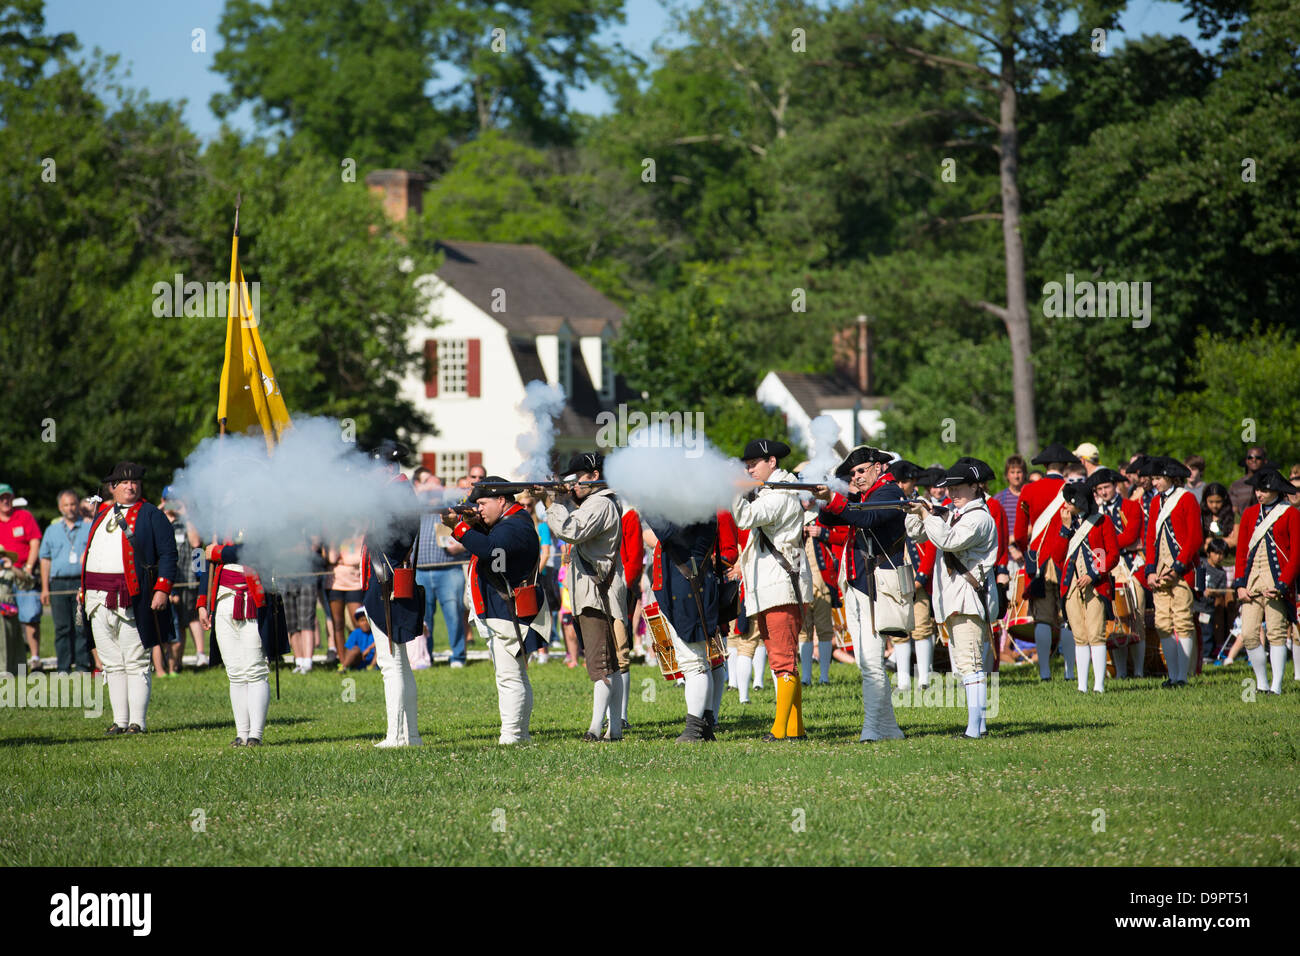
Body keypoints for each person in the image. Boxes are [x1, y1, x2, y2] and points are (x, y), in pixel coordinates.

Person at [815, 445, 908, 740]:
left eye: (860, 471)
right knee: (868, 662)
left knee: (870, 662)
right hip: (858, 582)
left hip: (876, 584)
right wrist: (828, 496)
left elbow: (865, 519)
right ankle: (890, 729)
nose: (855, 476)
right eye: (852, 473)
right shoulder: (865, 495)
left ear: (879, 467)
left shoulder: (889, 492)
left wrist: (837, 498)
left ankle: (871, 729)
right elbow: (830, 521)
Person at [448, 477, 550, 744]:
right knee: (513, 675)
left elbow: (491, 551)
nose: (479, 508)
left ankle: (512, 735)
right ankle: (520, 734)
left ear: (501, 500)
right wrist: (471, 523)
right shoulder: (510, 522)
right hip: (502, 607)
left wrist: (459, 528)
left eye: (482, 503)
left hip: (507, 609)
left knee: (509, 677)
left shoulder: (514, 525)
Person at [78, 462, 177, 735]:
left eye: (134, 481)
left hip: (132, 596)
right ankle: (120, 721)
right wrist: (83, 587)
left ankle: (138, 722)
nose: (130, 486)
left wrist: (162, 589)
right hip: (97, 597)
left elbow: (169, 555)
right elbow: (90, 553)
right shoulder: (100, 516)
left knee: (135, 660)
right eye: (124, 482)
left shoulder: (151, 515)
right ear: (113, 487)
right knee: (111, 663)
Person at [905, 462, 999, 739]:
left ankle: (975, 729)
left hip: (968, 597)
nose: (952, 492)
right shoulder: (956, 513)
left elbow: (948, 540)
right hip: (956, 597)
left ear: (975, 487)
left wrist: (927, 513)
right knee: (965, 663)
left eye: (958, 487)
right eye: (950, 487)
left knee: (970, 663)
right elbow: (917, 534)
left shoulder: (979, 518)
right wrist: (916, 512)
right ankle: (977, 725)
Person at [734, 438, 814, 741]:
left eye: (754, 462)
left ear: (772, 462)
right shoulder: (773, 490)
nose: (749, 468)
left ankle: (780, 730)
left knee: (782, 660)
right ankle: (795, 728)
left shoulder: (779, 494)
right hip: (773, 584)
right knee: (783, 659)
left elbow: (744, 518)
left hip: (780, 584)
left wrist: (734, 492)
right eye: (747, 464)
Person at [545, 452, 626, 741]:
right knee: (610, 664)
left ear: (593, 476)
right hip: (595, 591)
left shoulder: (600, 503)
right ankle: (614, 729)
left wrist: (553, 504)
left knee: (599, 664)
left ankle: (594, 729)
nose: (574, 484)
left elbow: (570, 530)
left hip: (595, 593)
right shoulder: (597, 502)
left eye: (578, 478)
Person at [196, 530, 290, 747]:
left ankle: (255, 735)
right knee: (235, 672)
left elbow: (255, 552)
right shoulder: (218, 523)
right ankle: (242, 734)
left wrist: (219, 551)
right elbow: (206, 565)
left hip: (253, 600)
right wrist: (202, 602)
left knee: (255, 670)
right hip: (223, 601)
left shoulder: (264, 519)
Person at [364, 440, 425, 747]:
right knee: (398, 663)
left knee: (391, 665)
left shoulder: (395, 496)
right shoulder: (396, 494)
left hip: (387, 581)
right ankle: (409, 735)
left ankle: (396, 736)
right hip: (389, 579)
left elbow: (388, 541)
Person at [644, 515, 725, 741]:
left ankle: (694, 728)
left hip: (689, 592)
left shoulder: (696, 507)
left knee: (694, 663)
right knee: (696, 661)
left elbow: (669, 532)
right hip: (685, 590)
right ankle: (705, 725)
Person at [1013, 443, 1080, 681]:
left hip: (1038, 559)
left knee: (1042, 617)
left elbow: (1020, 532)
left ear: (1044, 466)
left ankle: (1044, 672)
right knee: (1068, 618)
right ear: (1064, 466)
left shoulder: (1029, 490)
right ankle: (1071, 673)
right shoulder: (1074, 490)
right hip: (1066, 559)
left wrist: (1027, 551)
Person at [1231, 468, 1299, 696]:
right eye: (1257, 489)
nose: (1258, 493)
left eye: (1264, 489)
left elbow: (1296, 554)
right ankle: (1261, 683)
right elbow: (1242, 551)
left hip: (1276, 582)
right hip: (1252, 581)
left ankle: (1276, 686)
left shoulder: (1290, 514)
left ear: (1276, 491)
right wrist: (1240, 583)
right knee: (1249, 633)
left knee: (1277, 633)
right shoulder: (1250, 514)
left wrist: (1283, 584)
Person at [1139, 456, 1204, 688]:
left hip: (1182, 571)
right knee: (1163, 623)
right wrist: (1149, 570)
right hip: (1159, 571)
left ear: (1169, 477)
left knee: (1183, 621)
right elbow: (1150, 538)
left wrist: (1178, 567)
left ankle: (1183, 677)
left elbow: (1195, 536)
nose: (1154, 483)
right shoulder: (1156, 502)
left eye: (1157, 478)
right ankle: (1173, 675)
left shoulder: (1186, 499)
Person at [1058, 477, 1118, 693]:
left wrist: (1093, 574)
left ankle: (1099, 686)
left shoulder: (1102, 521)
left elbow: (1112, 555)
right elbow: (1058, 556)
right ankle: (1082, 686)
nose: (1065, 506)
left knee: (1096, 634)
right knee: (1079, 635)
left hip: (1096, 585)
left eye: (1069, 502)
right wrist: (1065, 530)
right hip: (1072, 585)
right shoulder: (1068, 524)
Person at [411, 469, 469, 669]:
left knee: (454, 613)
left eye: (435, 487)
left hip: (448, 569)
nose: (431, 491)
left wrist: (459, 546)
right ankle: (425, 655)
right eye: (428, 486)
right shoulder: (415, 507)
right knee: (423, 618)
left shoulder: (450, 509)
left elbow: (466, 540)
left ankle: (458, 657)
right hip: (421, 571)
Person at [1094, 467, 1146, 677]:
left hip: (1132, 567)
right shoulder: (1096, 513)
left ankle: (1140, 671)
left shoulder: (1131, 507)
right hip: (1109, 567)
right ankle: (1121, 672)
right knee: (1114, 621)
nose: (1104, 492)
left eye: (1106, 487)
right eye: (1100, 489)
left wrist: (1110, 544)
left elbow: (1132, 535)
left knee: (1136, 617)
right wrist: (1118, 544)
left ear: (1115, 486)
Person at [39, 489, 93, 673]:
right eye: (66, 505)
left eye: (73, 504)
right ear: (59, 507)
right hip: (58, 584)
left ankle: (82, 666)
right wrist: (45, 588)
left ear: (78, 506)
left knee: (81, 626)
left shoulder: (88, 527)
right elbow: (45, 560)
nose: (70, 508)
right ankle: (63, 667)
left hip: (81, 583)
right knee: (62, 627)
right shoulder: (52, 530)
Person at [0, 483, 43, 669]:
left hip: (24, 574)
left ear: (12, 497)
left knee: (30, 615)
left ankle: (34, 658)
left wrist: (29, 567)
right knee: (6, 619)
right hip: (3, 578)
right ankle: (10, 660)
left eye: (8, 497)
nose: (5, 501)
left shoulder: (23, 516)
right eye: (1, 498)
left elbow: (35, 542)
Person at [326, 536, 366, 664]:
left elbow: (358, 559)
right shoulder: (335, 534)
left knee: (358, 623)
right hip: (334, 583)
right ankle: (343, 662)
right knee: (338, 624)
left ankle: (362, 659)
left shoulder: (361, 534)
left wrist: (344, 560)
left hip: (355, 584)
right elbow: (332, 558)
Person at [1196, 539, 1233, 662]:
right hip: (1196, 604)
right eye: (1215, 553)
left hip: (1208, 608)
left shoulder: (1221, 573)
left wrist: (1213, 592)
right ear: (1209, 553)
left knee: (1207, 631)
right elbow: (1198, 583)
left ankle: (1206, 655)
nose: (1218, 557)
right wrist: (1202, 589)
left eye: (1221, 554)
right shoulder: (1202, 564)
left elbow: (1222, 591)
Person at [1229, 445, 1269, 515]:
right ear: (1246, 461)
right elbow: (1234, 511)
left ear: (1265, 461)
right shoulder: (1236, 486)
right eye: (1250, 457)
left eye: (1258, 458)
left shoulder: (1273, 483)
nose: (1254, 460)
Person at [1200, 483, 1237, 550]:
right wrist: (1227, 540)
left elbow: (1235, 541)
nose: (1214, 506)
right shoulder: (1200, 516)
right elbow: (1199, 543)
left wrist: (1210, 541)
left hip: (1228, 559)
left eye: (1218, 502)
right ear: (1205, 501)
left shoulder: (1234, 516)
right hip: (1205, 558)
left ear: (1224, 500)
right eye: (1211, 502)